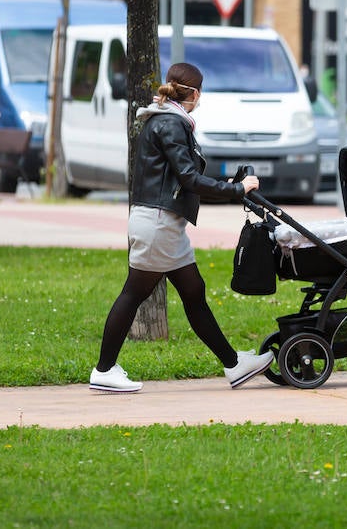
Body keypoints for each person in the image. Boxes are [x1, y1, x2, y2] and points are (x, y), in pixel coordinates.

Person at [90, 62, 272, 393]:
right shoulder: (172, 125)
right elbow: (188, 178)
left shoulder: (161, 120)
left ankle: (233, 365)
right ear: (196, 94)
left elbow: (182, 178)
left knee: (194, 293)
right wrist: (238, 189)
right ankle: (104, 370)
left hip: (162, 223)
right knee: (134, 293)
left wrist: (228, 187)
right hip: (159, 224)